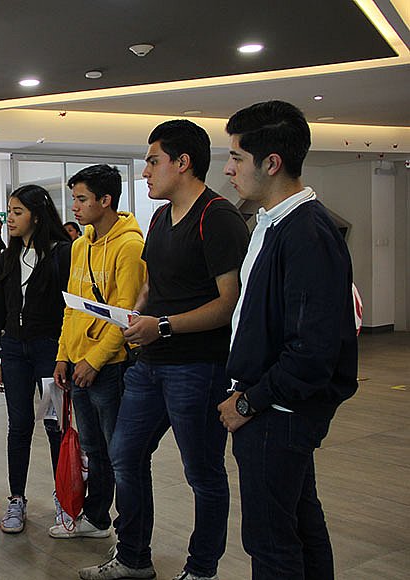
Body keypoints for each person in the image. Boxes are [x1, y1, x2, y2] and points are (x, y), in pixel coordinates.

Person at [80, 121, 249, 580]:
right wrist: (136, 315)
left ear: (183, 162)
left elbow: (228, 304)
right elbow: (152, 286)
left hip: (198, 367)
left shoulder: (218, 218)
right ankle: (133, 557)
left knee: (203, 473)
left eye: (153, 162)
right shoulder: (159, 218)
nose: (145, 172)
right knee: (125, 454)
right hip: (150, 364)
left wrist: (164, 326)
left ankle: (202, 569)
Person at [218, 101, 358, 580]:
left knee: (271, 542)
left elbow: (312, 351)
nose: (229, 168)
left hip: (279, 411)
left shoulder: (306, 233)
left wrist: (248, 402)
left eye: (236, 157)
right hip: (273, 406)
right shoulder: (275, 223)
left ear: (271, 163)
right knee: (297, 522)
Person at [52, 164, 146, 539]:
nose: (74, 207)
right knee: (92, 448)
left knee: (118, 451)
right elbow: (71, 307)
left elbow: (126, 315)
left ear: (105, 200)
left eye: (81, 199)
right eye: (74, 198)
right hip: (77, 363)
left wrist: (95, 360)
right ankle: (96, 518)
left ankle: (129, 535)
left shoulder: (130, 247)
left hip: (109, 366)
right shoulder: (80, 245)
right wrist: (63, 355)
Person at [0, 184, 71, 533]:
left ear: (36, 216)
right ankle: (16, 499)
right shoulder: (8, 256)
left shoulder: (61, 253)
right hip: (14, 351)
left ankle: (65, 499)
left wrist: (66, 354)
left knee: (55, 425)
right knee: (19, 426)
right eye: (9, 211)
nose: (9, 218)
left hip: (50, 351)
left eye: (17, 212)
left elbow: (70, 309)